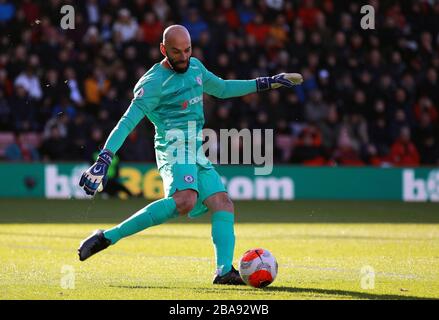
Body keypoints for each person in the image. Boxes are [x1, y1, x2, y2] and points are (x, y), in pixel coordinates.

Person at [77, 25, 302, 285]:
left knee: (223, 203)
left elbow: (223, 88)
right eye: (176, 52)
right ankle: (108, 237)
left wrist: (266, 82)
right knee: (185, 200)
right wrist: (104, 159)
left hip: (195, 147)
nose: (183, 57)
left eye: (187, 50)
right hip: (172, 147)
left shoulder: (195, 67)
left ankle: (223, 271)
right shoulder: (152, 84)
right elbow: (126, 122)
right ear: (163, 49)